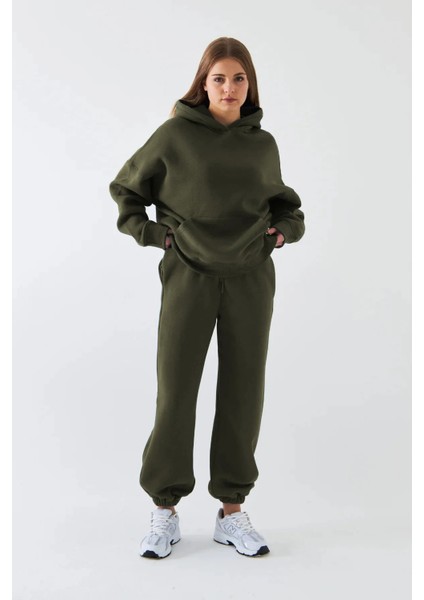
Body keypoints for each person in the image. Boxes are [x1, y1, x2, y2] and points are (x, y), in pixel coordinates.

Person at [109, 36, 305, 559]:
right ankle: (164, 509)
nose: (229, 88)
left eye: (239, 78)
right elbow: (126, 191)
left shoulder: (262, 144)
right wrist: (157, 236)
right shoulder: (174, 135)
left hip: (250, 278)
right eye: (219, 78)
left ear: (250, 85)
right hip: (188, 276)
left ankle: (231, 512)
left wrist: (280, 235)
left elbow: (288, 208)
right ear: (203, 83)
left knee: (244, 392)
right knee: (176, 389)